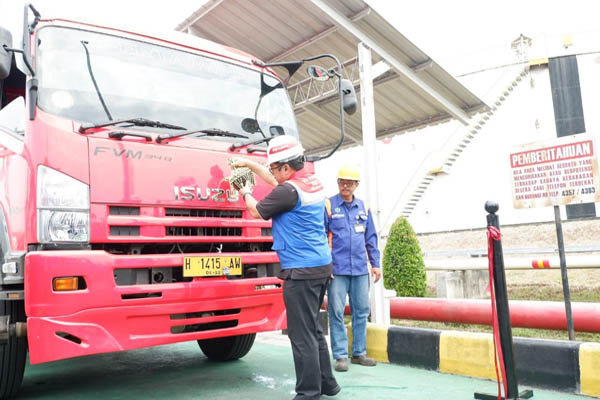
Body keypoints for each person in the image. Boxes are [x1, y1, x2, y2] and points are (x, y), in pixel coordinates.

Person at [232, 135, 340, 400]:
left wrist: (244, 190)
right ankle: (328, 384)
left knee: (301, 335)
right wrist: (248, 163)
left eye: (274, 168)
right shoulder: (310, 183)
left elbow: (257, 211)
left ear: (286, 168)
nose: (272, 173)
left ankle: (308, 393)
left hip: (300, 271)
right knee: (313, 328)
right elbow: (275, 181)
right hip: (321, 267)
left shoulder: (288, 191)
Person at [325, 164, 381, 372]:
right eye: (342, 181)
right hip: (337, 270)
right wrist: (326, 266)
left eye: (349, 182)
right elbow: (321, 237)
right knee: (336, 311)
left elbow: (371, 238)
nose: (345, 185)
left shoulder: (363, 208)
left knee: (361, 311)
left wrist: (375, 264)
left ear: (356, 185)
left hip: (359, 269)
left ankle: (359, 353)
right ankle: (340, 355)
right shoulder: (329, 206)